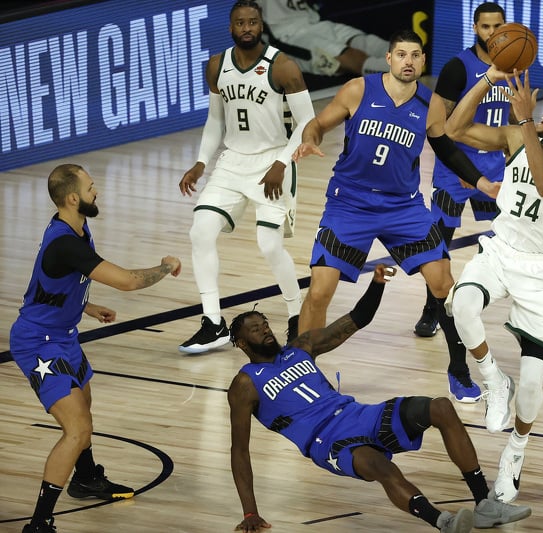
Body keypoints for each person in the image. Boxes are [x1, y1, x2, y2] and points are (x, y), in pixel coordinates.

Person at [228, 264, 531, 532]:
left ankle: (485, 504)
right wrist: (250, 511)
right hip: (326, 441)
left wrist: (376, 285)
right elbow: (240, 450)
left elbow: (355, 320)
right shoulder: (244, 384)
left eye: (265, 324)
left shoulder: (301, 347)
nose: (265, 331)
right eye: (255, 330)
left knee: (439, 407)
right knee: (382, 469)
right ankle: (444, 522)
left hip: (358, 414)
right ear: (242, 343)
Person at [291, 29, 500, 397]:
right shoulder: (359, 89)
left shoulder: (431, 103)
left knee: (443, 284)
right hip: (350, 202)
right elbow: (319, 124)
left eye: (415, 55)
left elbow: (447, 150)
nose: (408, 61)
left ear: (422, 60)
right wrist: (309, 138)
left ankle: (458, 370)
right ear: (388, 59)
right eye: (401, 54)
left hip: (402, 206)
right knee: (320, 291)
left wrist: (482, 183)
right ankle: (302, 372)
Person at [445, 66, 543, 503]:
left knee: (532, 385)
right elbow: (454, 127)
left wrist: (527, 121)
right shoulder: (517, 136)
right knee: (462, 307)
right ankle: (493, 380)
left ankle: (516, 451)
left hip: (541, 272)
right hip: (500, 249)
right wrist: (488, 80)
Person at [10, 164, 182, 533]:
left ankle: (86, 478)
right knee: (77, 428)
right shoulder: (65, 242)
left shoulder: (74, 225)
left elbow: (43, 285)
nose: (97, 191)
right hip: (38, 343)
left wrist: (83, 306)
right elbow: (128, 282)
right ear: (73, 198)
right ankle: (39, 524)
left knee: (83, 406)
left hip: (62, 334)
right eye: (91, 187)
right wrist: (166, 267)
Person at [413, 3, 543, 359]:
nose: (492, 33)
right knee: (439, 244)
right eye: (485, 27)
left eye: (498, 26)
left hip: (500, 170)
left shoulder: (518, 62)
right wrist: (467, 172)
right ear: (475, 28)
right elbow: (439, 126)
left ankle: (541, 298)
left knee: (523, 235)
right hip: (456, 170)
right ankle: (431, 309)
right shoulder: (458, 67)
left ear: (507, 27)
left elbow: (514, 124)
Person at [178, 0, 315, 354]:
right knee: (200, 232)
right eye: (240, 22)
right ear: (231, 28)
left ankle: (296, 314)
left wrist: (282, 163)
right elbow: (215, 120)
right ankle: (213, 322)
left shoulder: (283, 67)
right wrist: (200, 162)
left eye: (253, 21)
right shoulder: (216, 66)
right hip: (231, 162)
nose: (247, 28)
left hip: (273, 160)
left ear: (261, 25)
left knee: (269, 245)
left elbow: (307, 123)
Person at [258, 0, 390, 77]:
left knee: (369, 43)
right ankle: (405, 75)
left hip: (314, 21)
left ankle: (406, 66)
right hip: (286, 37)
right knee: (351, 58)